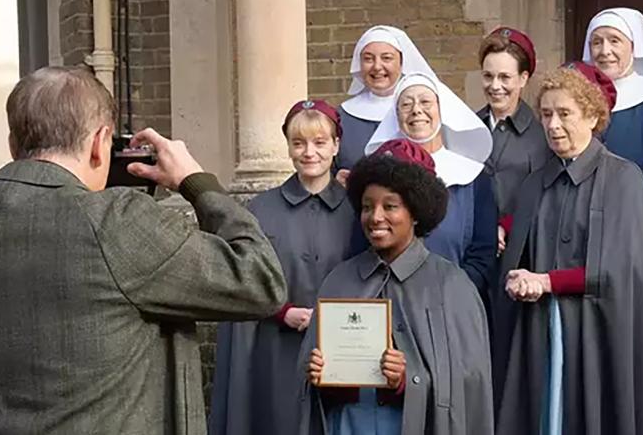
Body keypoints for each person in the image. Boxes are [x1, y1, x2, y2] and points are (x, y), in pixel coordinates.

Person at [0, 66, 287, 435]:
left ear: (13, 144)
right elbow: (260, 280)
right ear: (101, 143)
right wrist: (195, 182)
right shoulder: (119, 223)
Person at [493, 64, 643, 435]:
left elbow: (620, 271)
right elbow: (518, 257)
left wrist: (546, 281)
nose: (553, 125)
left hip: (599, 334)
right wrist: (517, 278)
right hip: (539, 332)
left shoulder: (624, 179)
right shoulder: (535, 183)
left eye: (565, 113)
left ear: (592, 115)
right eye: (547, 114)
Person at [297, 139, 494, 435]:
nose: (375, 217)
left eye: (390, 206)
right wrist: (319, 377)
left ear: (415, 212)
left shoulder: (453, 287)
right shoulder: (339, 280)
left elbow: (468, 388)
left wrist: (407, 381)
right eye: (366, 206)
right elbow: (312, 395)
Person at [210, 100, 360, 435]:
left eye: (320, 142)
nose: (310, 152)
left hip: (344, 348)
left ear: (336, 145)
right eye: (299, 143)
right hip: (276, 348)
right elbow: (244, 279)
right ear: (289, 148)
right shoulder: (259, 211)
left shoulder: (358, 212)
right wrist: (283, 311)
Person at [364, 72, 497, 304]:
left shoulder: (475, 177)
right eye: (406, 104)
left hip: (456, 302)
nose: (416, 110)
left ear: (442, 110)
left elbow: (483, 253)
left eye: (425, 102)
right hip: (392, 301)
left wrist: (452, 293)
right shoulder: (378, 176)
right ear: (396, 115)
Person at [581, 7, 643, 230]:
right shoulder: (578, 99)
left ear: (634, 47)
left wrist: (629, 215)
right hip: (583, 222)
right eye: (596, 42)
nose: (604, 50)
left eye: (614, 41)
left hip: (639, 222)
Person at [336, 25, 436, 175]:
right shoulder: (342, 115)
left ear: (402, 63)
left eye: (387, 58)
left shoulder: (423, 113)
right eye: (368, 59)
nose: (377, 66)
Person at [476, 27, 553, 217]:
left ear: (523, 78)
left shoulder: (543, 132)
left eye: (505, 77)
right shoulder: (468, 128)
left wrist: (507, 227)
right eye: (488, 76)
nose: (495, 86)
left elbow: (547, 199)